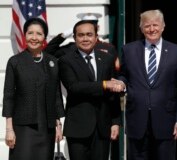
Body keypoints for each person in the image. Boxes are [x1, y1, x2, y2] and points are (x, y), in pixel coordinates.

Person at [117, 9, 177, 160]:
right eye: (147, 26)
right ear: (141, 28)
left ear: (163, 26)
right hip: (137, 119)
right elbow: (123, 75)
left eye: (155, 25)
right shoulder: (128, 50)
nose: (151, 29)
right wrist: (121, 83)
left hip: (166, 120)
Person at [2, 17, 65, 160]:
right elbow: (9, 96)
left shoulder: (52, 62)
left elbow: (56, 95)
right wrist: (9, 129)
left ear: (44, 37)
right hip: (23, 128)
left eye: (39, 34)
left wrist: (58, 125)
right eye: (30, 33)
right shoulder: (15, 62)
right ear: (25, 35)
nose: (34, 37)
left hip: (47, 129)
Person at [58, 19, 121, 160]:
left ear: (96, 37)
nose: (85, 38)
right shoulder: (66, 60)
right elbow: (74, 87)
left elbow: (113, 94)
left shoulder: (107, 58)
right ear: (74, 38)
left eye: (89, 34)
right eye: (81, 35)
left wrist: (116, 122)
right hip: (78, 127)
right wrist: (104, 85)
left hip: (103, 127)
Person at [45, 13, 120, 71]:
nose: (86, 38)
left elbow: (115, 70)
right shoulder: (72, 47)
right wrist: (64, 35)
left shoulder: (108, 47)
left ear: (98, 28)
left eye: (91, 26)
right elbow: (48, 52)